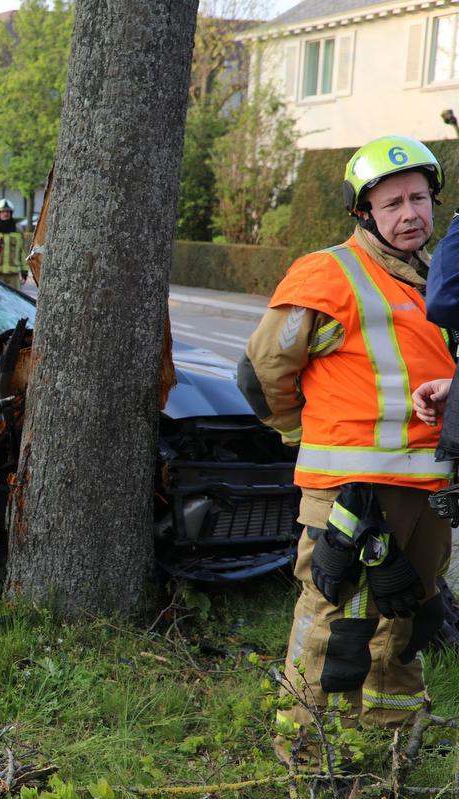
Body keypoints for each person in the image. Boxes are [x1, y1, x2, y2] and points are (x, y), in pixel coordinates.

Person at [240, 136, 454, 766]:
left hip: (430, 488)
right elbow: (263, 372)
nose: (411, 212)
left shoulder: (439, 279)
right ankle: (309, 754)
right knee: (336, 618)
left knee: (407, 619)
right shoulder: (326, 273)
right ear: (364, 213)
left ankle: (391, 752)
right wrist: (304, 437)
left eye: (420, 197)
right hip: (351, 491)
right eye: (393, 203)